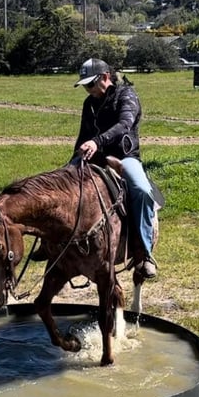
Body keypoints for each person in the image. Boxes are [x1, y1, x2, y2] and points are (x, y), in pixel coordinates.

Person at [71, 57, 158, 278]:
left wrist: (97, 142)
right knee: (60, 185)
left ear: (105, 77)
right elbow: (83, 135)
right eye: (85, 86)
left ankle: (144, 254)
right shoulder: (89, 103)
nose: (88, 90)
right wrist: (74, 159)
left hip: (124, 157)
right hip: (94, 155)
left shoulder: (126, 95)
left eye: (91, 84)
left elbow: (124, 125)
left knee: (142, 191)